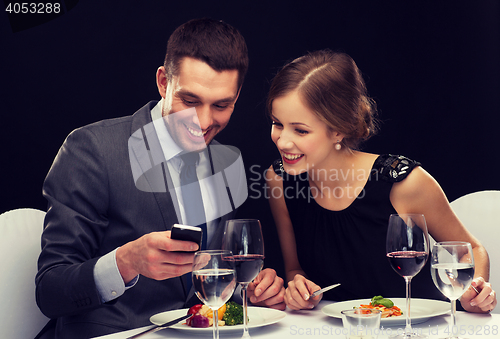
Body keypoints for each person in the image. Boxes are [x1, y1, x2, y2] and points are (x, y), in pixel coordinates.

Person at [36, 18, 285, 339]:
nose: (204, 121)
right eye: (191, 100)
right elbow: (50, 291)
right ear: (164, 82)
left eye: (222, 105)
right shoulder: (92, 149)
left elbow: (209, 279)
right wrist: (125, 262)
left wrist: (248, 293)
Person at [265, 49, 497, 313]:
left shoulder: (403, 183)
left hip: (420, 328)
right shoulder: (279, 180)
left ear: (338, 129)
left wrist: (474, 291)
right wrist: (298, 287)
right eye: (276, 123)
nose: (282, 141)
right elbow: (296, 269)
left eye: (300, 130)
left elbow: (472, 249)